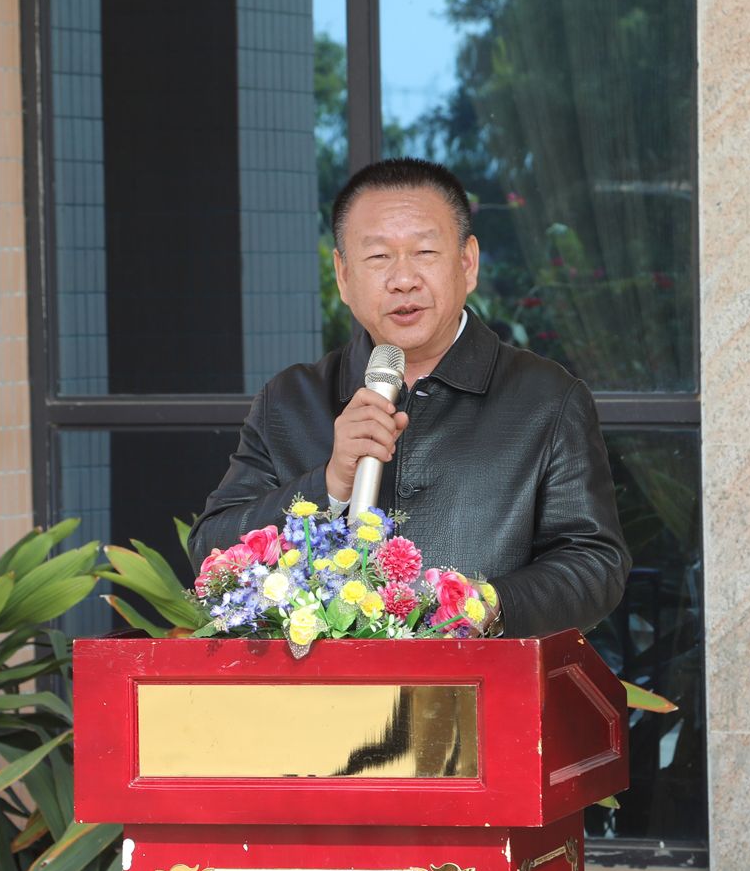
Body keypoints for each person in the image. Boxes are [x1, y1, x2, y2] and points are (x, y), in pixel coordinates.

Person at [189, 158, 630, 638]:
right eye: (378, 257)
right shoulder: (291, 400)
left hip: (481, 680)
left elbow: (595, 564)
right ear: (343, 275)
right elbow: (212, 551)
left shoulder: (547, 398)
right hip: (326, 685)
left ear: (467, 263)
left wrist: (487, 606)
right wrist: (330, 483)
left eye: (424, 252)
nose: (403, 279)